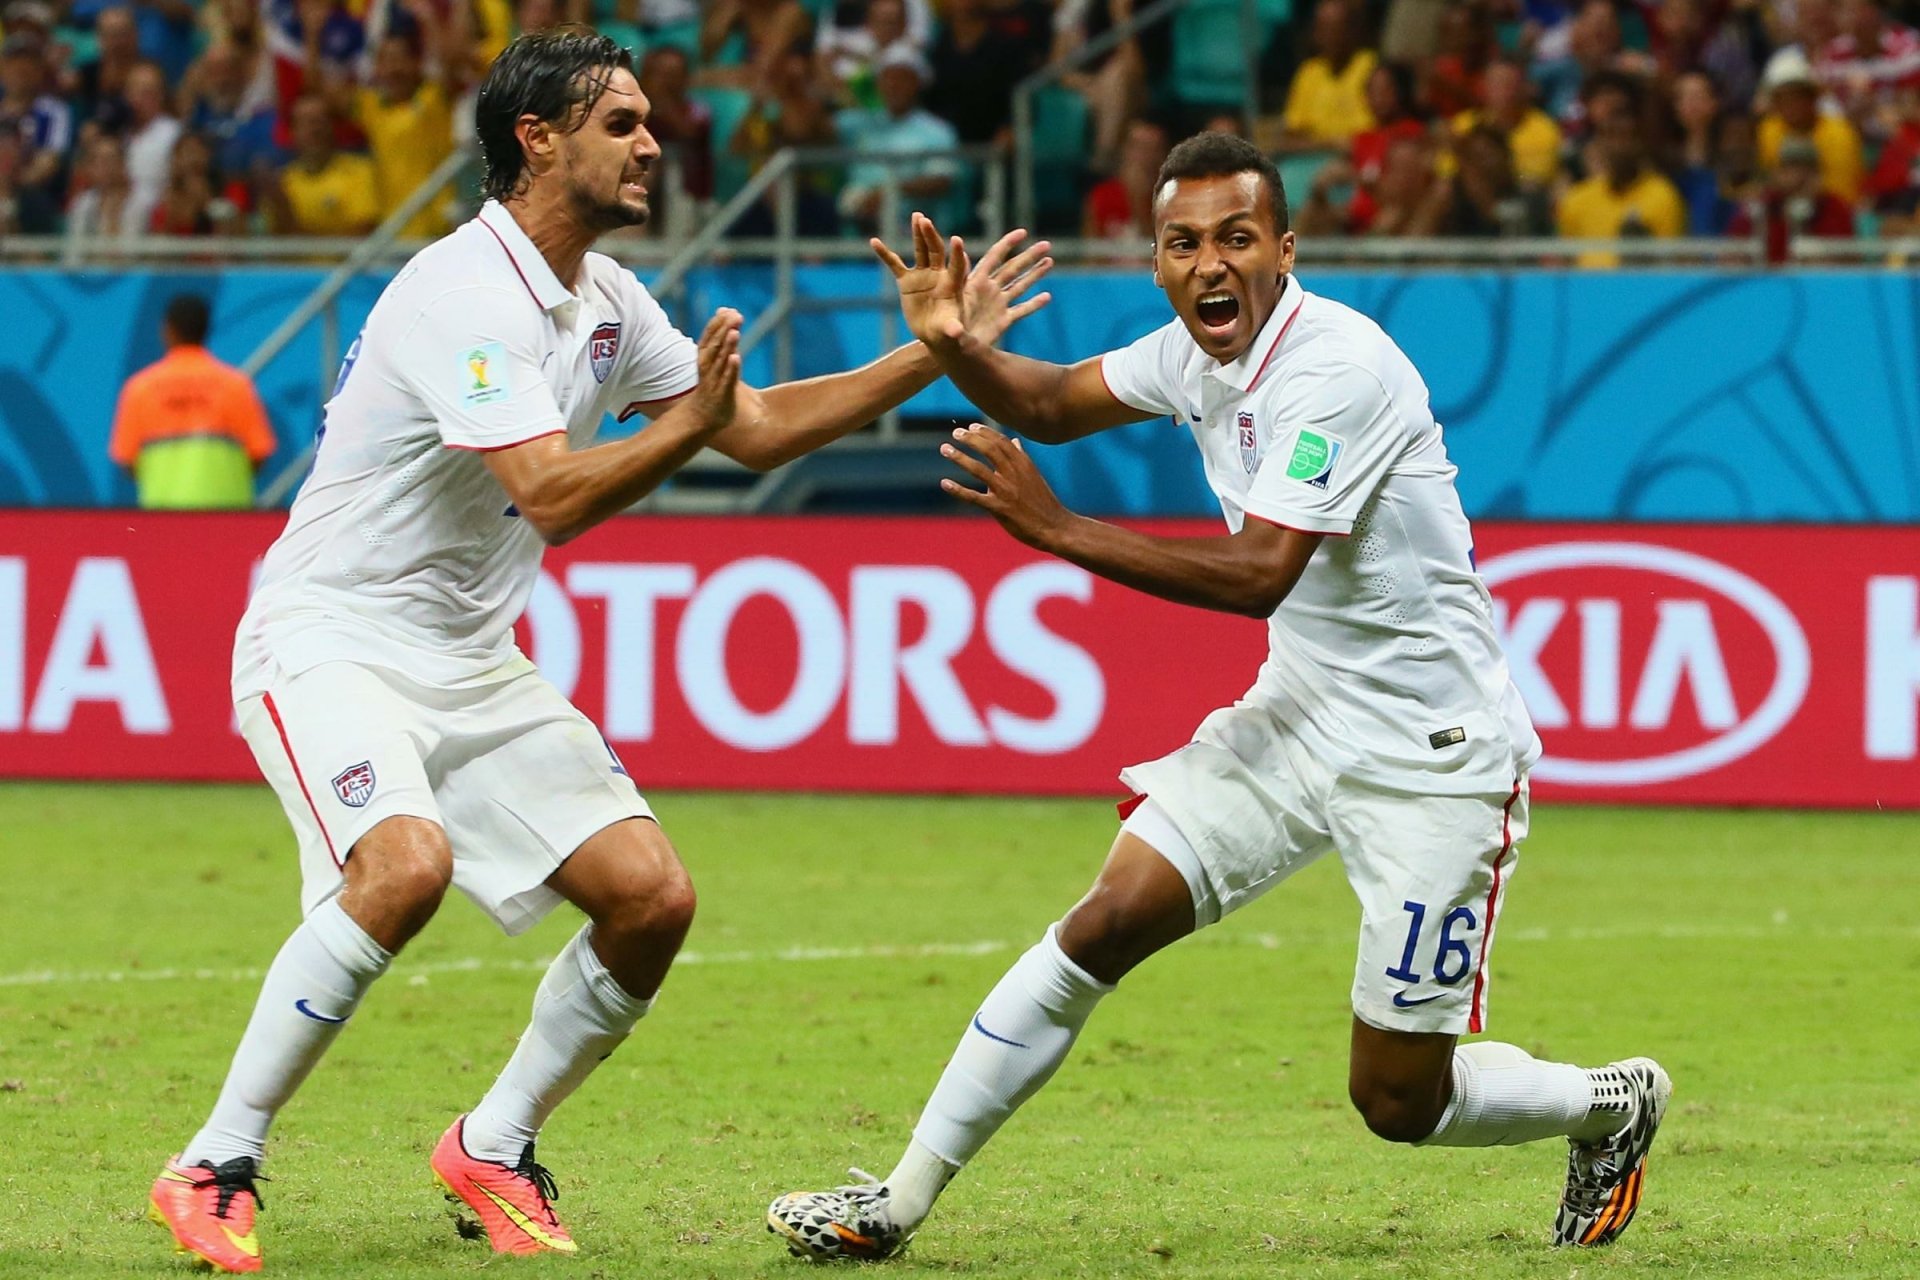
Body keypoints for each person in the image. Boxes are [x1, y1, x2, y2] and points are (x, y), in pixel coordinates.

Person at [145, 26, 1042, 1275]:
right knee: (402, 868)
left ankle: (493, 1140)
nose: (651, 142)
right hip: (331, 637)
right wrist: (690, 426)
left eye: (647, 120)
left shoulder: (606, 302)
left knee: (650, 897)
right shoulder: (461, 291)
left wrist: (931, 350)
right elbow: (556, 493)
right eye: (620, 121)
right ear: (537, 139)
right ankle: (216, 1157)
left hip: (471, 653)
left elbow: (761, 426)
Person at [767, 132, 1671, 1262]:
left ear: (1284, 250)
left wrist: (1059, 530)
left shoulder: (1338, 369)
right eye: (1183, 243)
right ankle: (893, 1201)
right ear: (1157, 262)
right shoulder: (1197, 358)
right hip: (1298, 714)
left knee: (1398, 1099)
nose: (1210, 264)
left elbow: (1260, 573)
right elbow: (1046, 402)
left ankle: (1607, 1102)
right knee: (1104, 918)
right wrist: (951, 341)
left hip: (1432, 755)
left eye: (1236, 238)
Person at [108, 292, 275, 507]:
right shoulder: (235, 385)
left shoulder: (140, 387)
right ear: (206, 328)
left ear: (168, 330)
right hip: (227, 515)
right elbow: (259, 453)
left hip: (161, 514)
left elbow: (127, 460)